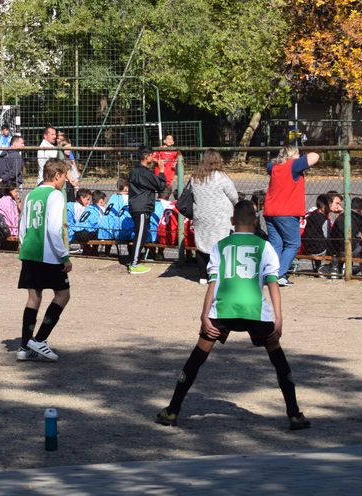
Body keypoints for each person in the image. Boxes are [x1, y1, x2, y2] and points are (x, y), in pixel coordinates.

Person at [154, 200, 309, 431]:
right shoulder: (265, 246)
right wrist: (278, 317)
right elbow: (272, 283)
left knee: (197, 358)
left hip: (223, 309)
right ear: (255, 222)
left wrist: (204, 315)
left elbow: (213, 283)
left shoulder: (221, 246)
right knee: (278, 359)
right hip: (256, 311)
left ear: (232, 221)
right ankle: (294, 414)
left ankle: (172, 410)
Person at [16, 159, 73, 362]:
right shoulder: (56, 195)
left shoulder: (32, 194)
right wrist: (64, 256)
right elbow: (53, 229)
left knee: (34, 298)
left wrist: (23, 246)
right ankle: (39, 340)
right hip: (48, 254)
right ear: (57, 175)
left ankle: (24, 347)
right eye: (65, 176)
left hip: (29, 252)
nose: (66, 180)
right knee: (63, 295)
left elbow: (22, 225)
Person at [264, 143, 320, 287]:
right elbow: (315, 156)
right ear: (291, 155)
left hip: (270, 211)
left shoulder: (273, 167)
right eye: (297, 154)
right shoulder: (293, 165)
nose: (299, 156)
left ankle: (271, 273)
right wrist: (296, 160)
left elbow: (270, 165)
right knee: (293, 244)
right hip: (286, 212)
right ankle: (278, 274)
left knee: (276, 244)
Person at [187, 149, 238, 284]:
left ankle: (203, 276)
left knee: (202, 245)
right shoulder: (221, 176)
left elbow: (192, 193)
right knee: (220, 245)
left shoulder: (195, 177)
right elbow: (233, 196)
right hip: (219, 217)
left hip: (201, 216)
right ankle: (219, 273)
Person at [127, 145, 167, 274]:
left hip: (136, 205)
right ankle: (134, 263)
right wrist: (161, 170)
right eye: (151, 155)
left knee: (141, 234)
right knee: (140, 235)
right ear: (146, 156)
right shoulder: (145, 173)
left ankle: (135, 260)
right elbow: (161, 186)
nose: (153, 157)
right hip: (142, 207)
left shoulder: (134, 171)